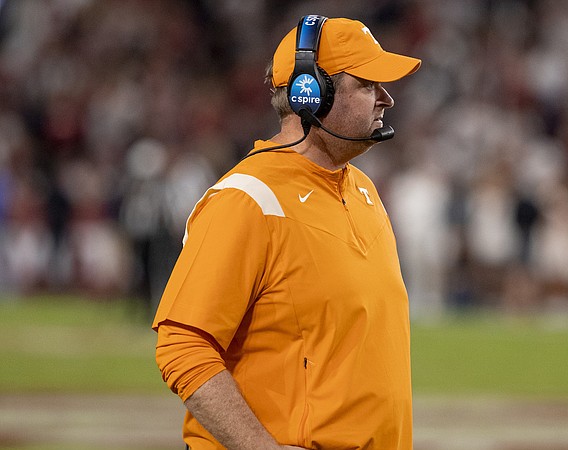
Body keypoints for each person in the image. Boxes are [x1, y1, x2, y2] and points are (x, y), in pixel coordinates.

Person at [152, 15, 420, 450]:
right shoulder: (248, 199)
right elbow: (182, 345)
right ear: (310, 92)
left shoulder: (363, 189)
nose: (386, 98)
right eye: (368, 84)